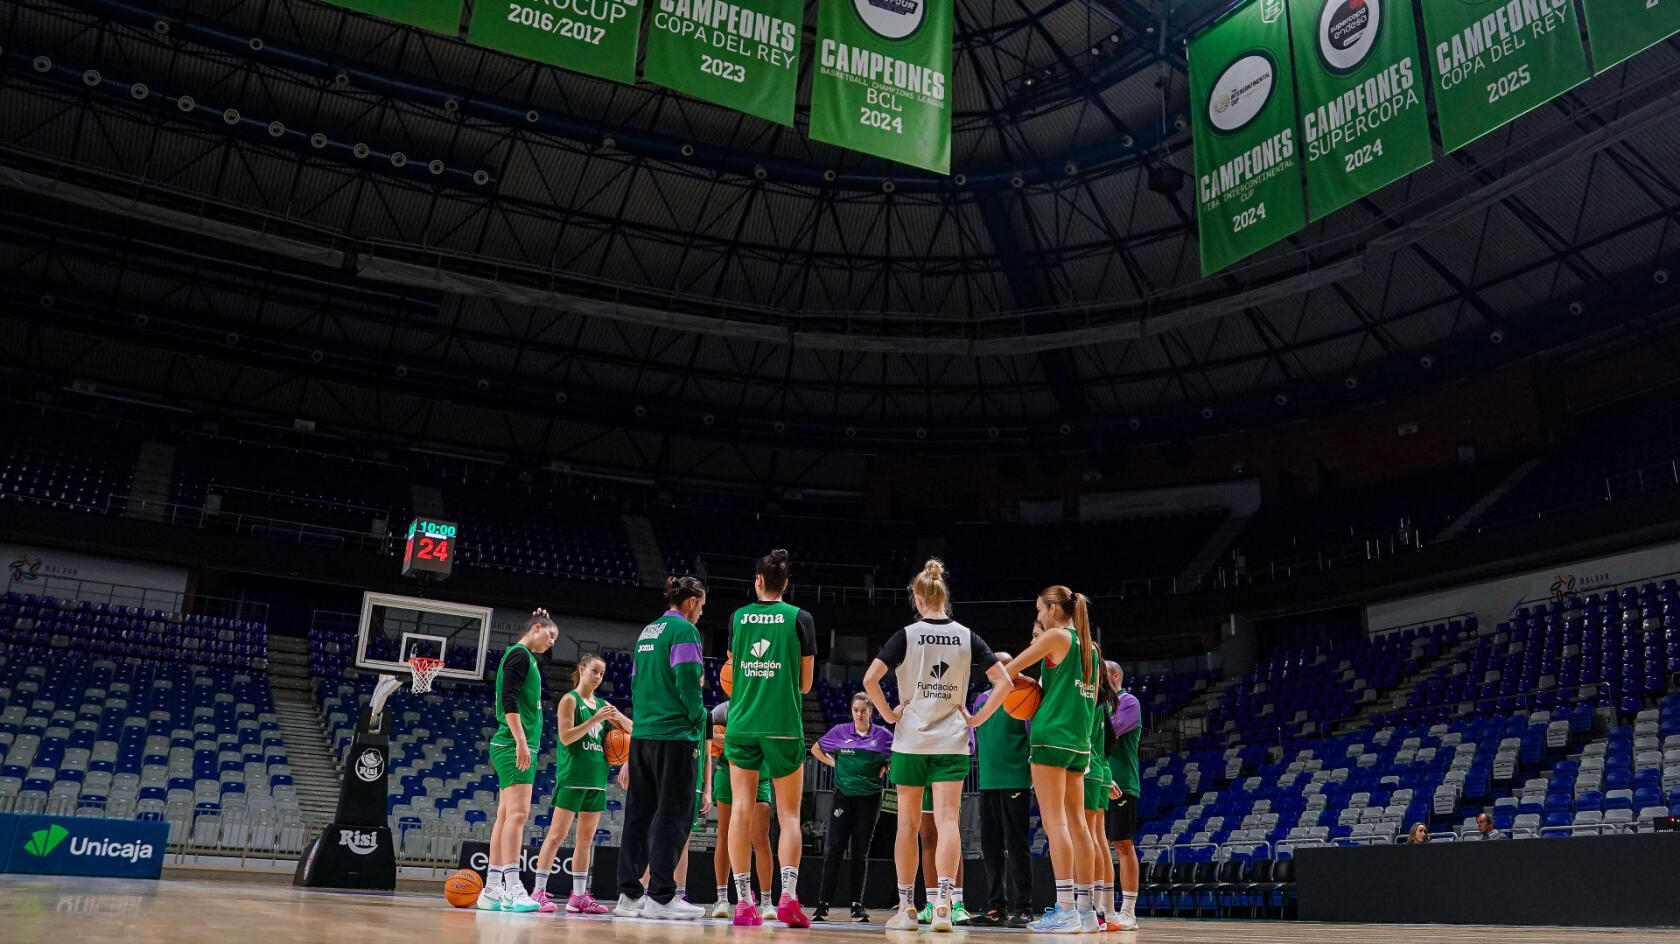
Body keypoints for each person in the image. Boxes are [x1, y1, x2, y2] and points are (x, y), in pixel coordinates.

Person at [864, 559, 1011, 932]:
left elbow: (870, 680)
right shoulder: (967, 635)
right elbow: (1005, 683)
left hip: (911, 740)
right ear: (945, 596)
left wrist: (890, 714)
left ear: (917, 597)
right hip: (951, 741)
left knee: (908, 825)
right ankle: (944, 905)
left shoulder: (906, 635)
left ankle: (907, 907)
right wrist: (977, 719)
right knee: (948, 822)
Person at [724, 549, 817, 927]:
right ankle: (788, 898)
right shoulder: (801, 618)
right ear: (786, 584)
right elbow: (806, 684)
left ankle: (743, 902)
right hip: (783, 724)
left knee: (741, 811)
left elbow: (732, 673)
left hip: (742, 722)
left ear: (758, 581)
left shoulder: (737, 618)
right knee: (789, 813)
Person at [1003, 587, 1099, 933]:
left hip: (1050, 738)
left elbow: (1006, 670)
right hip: (1079, 743)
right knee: (1079, 825)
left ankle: (1066, 910)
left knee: (1055, 823)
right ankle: (1087, 913)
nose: (1039, 616)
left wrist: (1014, 682)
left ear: (1055, 609)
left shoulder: (1055, 637)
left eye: (1040, 610)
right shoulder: (1092, 647)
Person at [614, 576, 709, 919]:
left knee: (639, 814)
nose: (701, 612)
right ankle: (662, 897)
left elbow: (637, 681)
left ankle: (629, 895)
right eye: (701, 605)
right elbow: (687, 679)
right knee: (674, 814)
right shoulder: (684, 631)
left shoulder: (648, 631)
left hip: (643, 733)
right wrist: (698, 716)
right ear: (691, 602)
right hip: (674, 735)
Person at [532, 653, 628, 914]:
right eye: (594, 671)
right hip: (572, 777)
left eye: (602, 673)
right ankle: (538, 891)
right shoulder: (569, 700)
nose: (598, 677)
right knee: (557, 835)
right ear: (582, 669)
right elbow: (565, 737)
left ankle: (578, 896)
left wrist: (616, 714)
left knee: (585, 840)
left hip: (597, 781)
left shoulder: (602, 704)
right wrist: (596, 719)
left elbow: (634, 730)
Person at [480, 609, 561, 913]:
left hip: (509, 743)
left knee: (505, 817)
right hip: (513, 743)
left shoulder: (523, 656)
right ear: (536, 628)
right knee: (517, 815)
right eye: (550, 635)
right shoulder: (520, 655)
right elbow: (509, 699)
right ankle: (514, 888)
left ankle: (491, 889)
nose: (552, 642)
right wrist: (521, 742)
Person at [811, 693, 893, 922]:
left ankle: (857, 904)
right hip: (843, 797)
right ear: (851, 711)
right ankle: (823, 903)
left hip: (869, 798)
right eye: (855, 710)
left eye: (863, 710)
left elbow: (894, 755)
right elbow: (816, 749)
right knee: (835, 849)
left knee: (860, 851)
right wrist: (834, 763)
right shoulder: (839, 732)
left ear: (870, 712)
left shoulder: (884, 736)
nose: (859, 714)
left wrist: (886, 767)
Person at [972, 645, 1033, 928]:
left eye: (1003, 665)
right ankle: (996, 907)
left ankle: (1024, 908)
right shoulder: (980, 700)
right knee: (991, 846)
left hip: (1016, 780)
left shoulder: (1026, 698)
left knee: (1017, 845)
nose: (996, 670)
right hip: (987, 781)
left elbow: (1032, 740)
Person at [709, 704, 777, 919]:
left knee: (760, 838)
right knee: (724, 834)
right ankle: (722, 899)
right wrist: (723, 739)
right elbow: (703, 729)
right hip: (728, 772)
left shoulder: (767, 706)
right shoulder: (724, 710)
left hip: (760, 774)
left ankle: (767, 901)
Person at [1105, 662, 1142, 932]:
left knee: (1123, 845)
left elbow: (1107, 733)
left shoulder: (1128, 702)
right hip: (1096, 782)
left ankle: (1128, 910)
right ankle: (1103, 908)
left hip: (1123, 783)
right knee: (1096, 844)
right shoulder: (1096, 706)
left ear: (1115, 676)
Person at [1083, 647, 1116, 928]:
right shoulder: (1104, 699)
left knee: (1086, 836)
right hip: (1100, 768)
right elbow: (1111, 741)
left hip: (1086, 767)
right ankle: (1105, 908)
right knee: (1099, 837)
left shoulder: (1087, 697)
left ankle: (1091, 907)